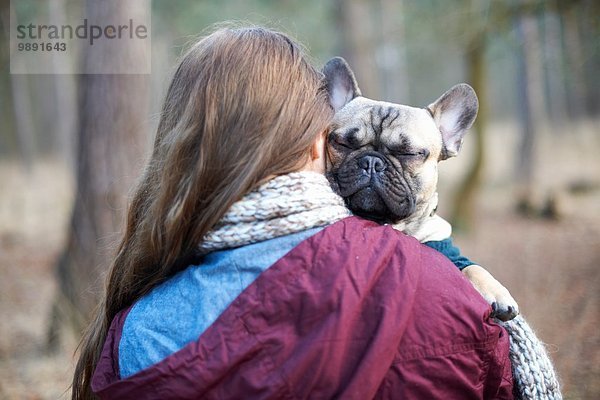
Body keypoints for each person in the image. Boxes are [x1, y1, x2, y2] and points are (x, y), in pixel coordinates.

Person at [72, 26, 513, 399]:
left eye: (406, 155)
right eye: (348, 144)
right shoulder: (448, 298)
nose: (374, 167)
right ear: (316, 141)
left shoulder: (132, 328)